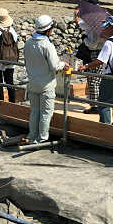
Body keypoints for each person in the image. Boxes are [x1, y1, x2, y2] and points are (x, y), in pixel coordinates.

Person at [23, 15, 66, 144]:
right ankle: (42, 138)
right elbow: (54, 66)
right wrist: (64, 64)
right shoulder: (47, 45)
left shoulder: (28, 43)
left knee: (35, 111)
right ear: (48, 30)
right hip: (46, 85)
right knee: (46, 113)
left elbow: (26, 61)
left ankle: (32, 136)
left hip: (32, 83)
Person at [79, 16, 113, 126]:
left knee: (103, 104)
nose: (103, 30)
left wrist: (86, 66)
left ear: (111, 27)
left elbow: (100, 61)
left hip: (110, 77)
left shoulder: (110, 42)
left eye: (105, 27)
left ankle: (105, 128)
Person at [76, 0, 104, 113]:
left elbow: (79, 23)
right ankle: (100, 103)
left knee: (93, 80)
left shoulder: (91, 18)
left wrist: (76, 14)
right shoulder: (103, 16)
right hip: (103, 51)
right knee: (99, 79)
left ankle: (95, 106)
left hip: (93, 51)